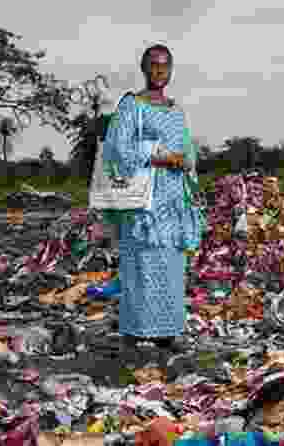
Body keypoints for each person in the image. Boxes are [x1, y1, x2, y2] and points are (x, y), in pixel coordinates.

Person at [102, 44, 203, 355]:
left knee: (172, 266)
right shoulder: (132, 105)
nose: (159, 72)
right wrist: (160, 158)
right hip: (143, 201)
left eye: (165, 66)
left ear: (171, 71)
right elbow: (118, 148)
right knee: (141, 264)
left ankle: (168, 332)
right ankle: (135, 332)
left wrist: (186, 162)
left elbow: (187, 150)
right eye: (154, 66)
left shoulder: (176, 110)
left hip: (173, 200)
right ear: (144, 69)